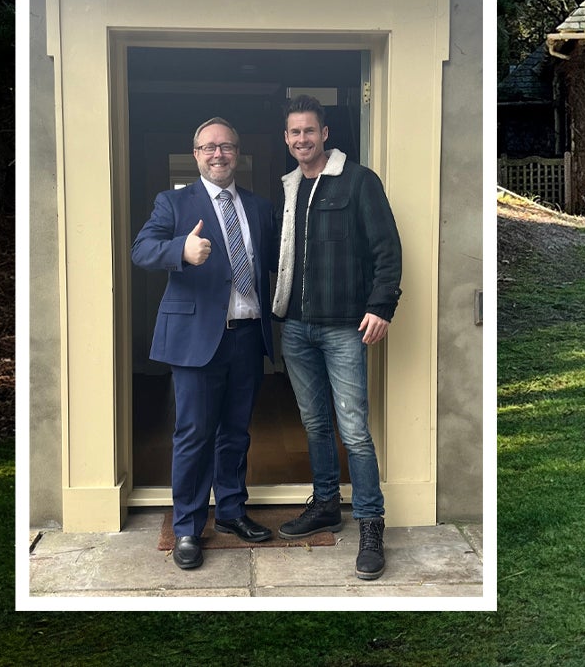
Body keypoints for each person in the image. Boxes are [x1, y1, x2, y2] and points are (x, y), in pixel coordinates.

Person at [131, 119, 279, 570]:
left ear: (238, 154)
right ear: (196, 154)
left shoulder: (257, 207)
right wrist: (181, 251)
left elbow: (277, 261)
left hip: (248, 336)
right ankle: (189, 527)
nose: (218, 154)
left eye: (227, 147)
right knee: (194, 435)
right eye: (208, 147)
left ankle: (232, 513)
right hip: (196, 341)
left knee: (236, 432)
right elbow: (141, 249)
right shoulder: (174, 202)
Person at [272, 95, 403, 580]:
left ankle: (371, 523)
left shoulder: (359, 181)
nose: (301, 139)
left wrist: (381, 306)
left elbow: (387, 249)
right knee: (315, 425)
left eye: (309, 131)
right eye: (293, 133)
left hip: (346, 327)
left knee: (354, 431)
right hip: (297, 328)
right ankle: (326, 504)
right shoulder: (289, 187)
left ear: (325, 133)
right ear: (287, 139)